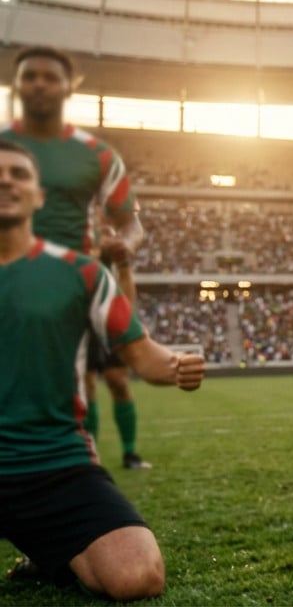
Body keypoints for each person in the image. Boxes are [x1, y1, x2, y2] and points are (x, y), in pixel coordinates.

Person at [0, 138, 205, 600]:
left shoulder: (82, 274)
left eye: (19, 174)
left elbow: (141, 354)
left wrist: (176, 365)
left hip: (53, 464)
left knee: (137, 577)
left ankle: (50, 548)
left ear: (41, 197)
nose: (6, 182)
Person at [1, 47, 153, 470]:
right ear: (17, 84)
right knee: (72, 384)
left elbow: (132, 225)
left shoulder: (98, 155)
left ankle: (118, 456)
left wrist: (125, 246)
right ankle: (79, 465)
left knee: (113, 379)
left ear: (70, 86)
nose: (40, 84)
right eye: (30, 76)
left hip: (77, 285)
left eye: (50, 77)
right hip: (12, 280)